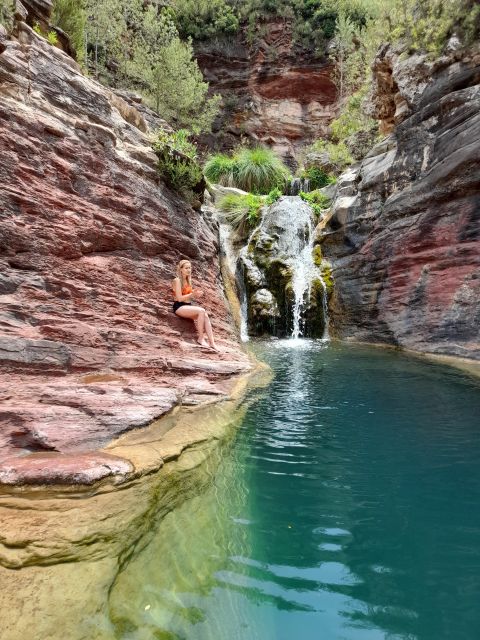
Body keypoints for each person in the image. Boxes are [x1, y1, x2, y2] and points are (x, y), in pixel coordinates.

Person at [172, 259, 218, 351]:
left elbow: (188, 298)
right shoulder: (177, 280)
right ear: (181, 269)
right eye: (186, 268)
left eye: (190, 268)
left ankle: (212, 343)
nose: (189, 270)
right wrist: (192, 294)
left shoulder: (189, 281)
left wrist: (195, 294)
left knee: (205, 315)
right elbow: (179, 298)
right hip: (179, 307)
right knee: (201, 310)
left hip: (187, 306)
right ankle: (201, 338)